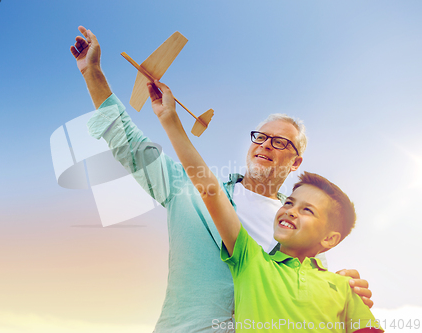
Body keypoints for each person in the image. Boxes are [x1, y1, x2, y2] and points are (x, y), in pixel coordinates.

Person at [70, 26, 373, 332]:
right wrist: (92, 72)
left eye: (280, 142)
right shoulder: (186, 189)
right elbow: (129, 144)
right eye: (261, 137)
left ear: (296, 162)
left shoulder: (299, 229)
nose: (266, 144)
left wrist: (346, 288)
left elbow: (314, 300)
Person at [146, 79, 383, 332]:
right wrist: (170, 119)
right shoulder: (251, 260)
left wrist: (340, 286)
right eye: (290, 202)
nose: (291, 210)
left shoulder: (338, 285)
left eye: (307, 210)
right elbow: (210, 191)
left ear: (328, 239)